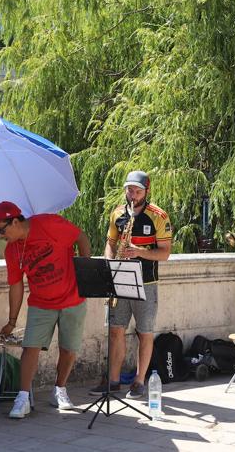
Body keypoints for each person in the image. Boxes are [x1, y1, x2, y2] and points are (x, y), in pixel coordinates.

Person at [0, 201, 91, 419]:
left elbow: (81, 237)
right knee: (30, 347)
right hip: (41, 303)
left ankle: (59, 390)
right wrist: (12, 321)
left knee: (69, 348)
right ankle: (22, 398)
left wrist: (85, 272)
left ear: (15, 221)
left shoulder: (49, 223)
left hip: (72, 298)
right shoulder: (12, 250)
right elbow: (15, 285)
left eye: (0, 229)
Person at [89, 171, 172, 399]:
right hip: (119, 279)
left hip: (146, 282)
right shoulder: (117, 213)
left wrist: (138, 252)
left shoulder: (158, 216)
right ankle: (113, 381)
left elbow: (165, 254)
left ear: (147, 191)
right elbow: (110, 242)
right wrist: (109, 262)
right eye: (129, 190)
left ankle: (138, 381)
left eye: (137, 191)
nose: (133, 195)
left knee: (144, 332)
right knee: (115, 331)